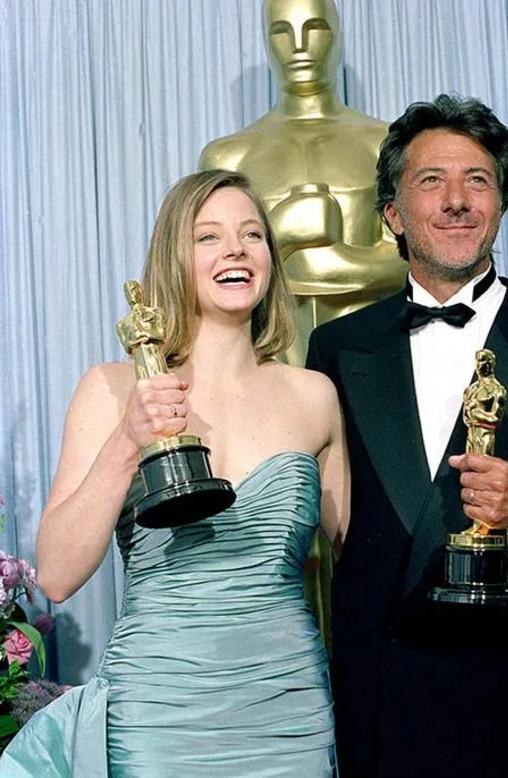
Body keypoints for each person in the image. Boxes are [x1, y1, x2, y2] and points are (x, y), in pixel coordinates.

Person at [306, 94, 508, 777]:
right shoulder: (336, 349)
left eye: (477, 180)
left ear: (501, 204)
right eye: (432, 181)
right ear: (394, 213)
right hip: (379, 702)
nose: (456, 200)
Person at [1, 169, 348, 777]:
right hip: (159, 715)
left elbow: (363, 557)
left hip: (289, 712)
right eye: (208, 237)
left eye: (251, 234)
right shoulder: (111, 388)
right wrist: (128, 439)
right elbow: (55, 575)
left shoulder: (313, 395)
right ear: (174, 258)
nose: (235, 249)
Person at [199, 0, 405, 365]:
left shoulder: (385, 142)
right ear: (266, 42)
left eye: (315, 28)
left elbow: (416, 260)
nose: (298, 46)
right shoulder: (227, 156)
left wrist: (331, 263)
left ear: (337, 36)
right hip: (269, 359)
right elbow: (204, 268)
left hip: (373, 353)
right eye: (281, 32)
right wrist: (283, 233)